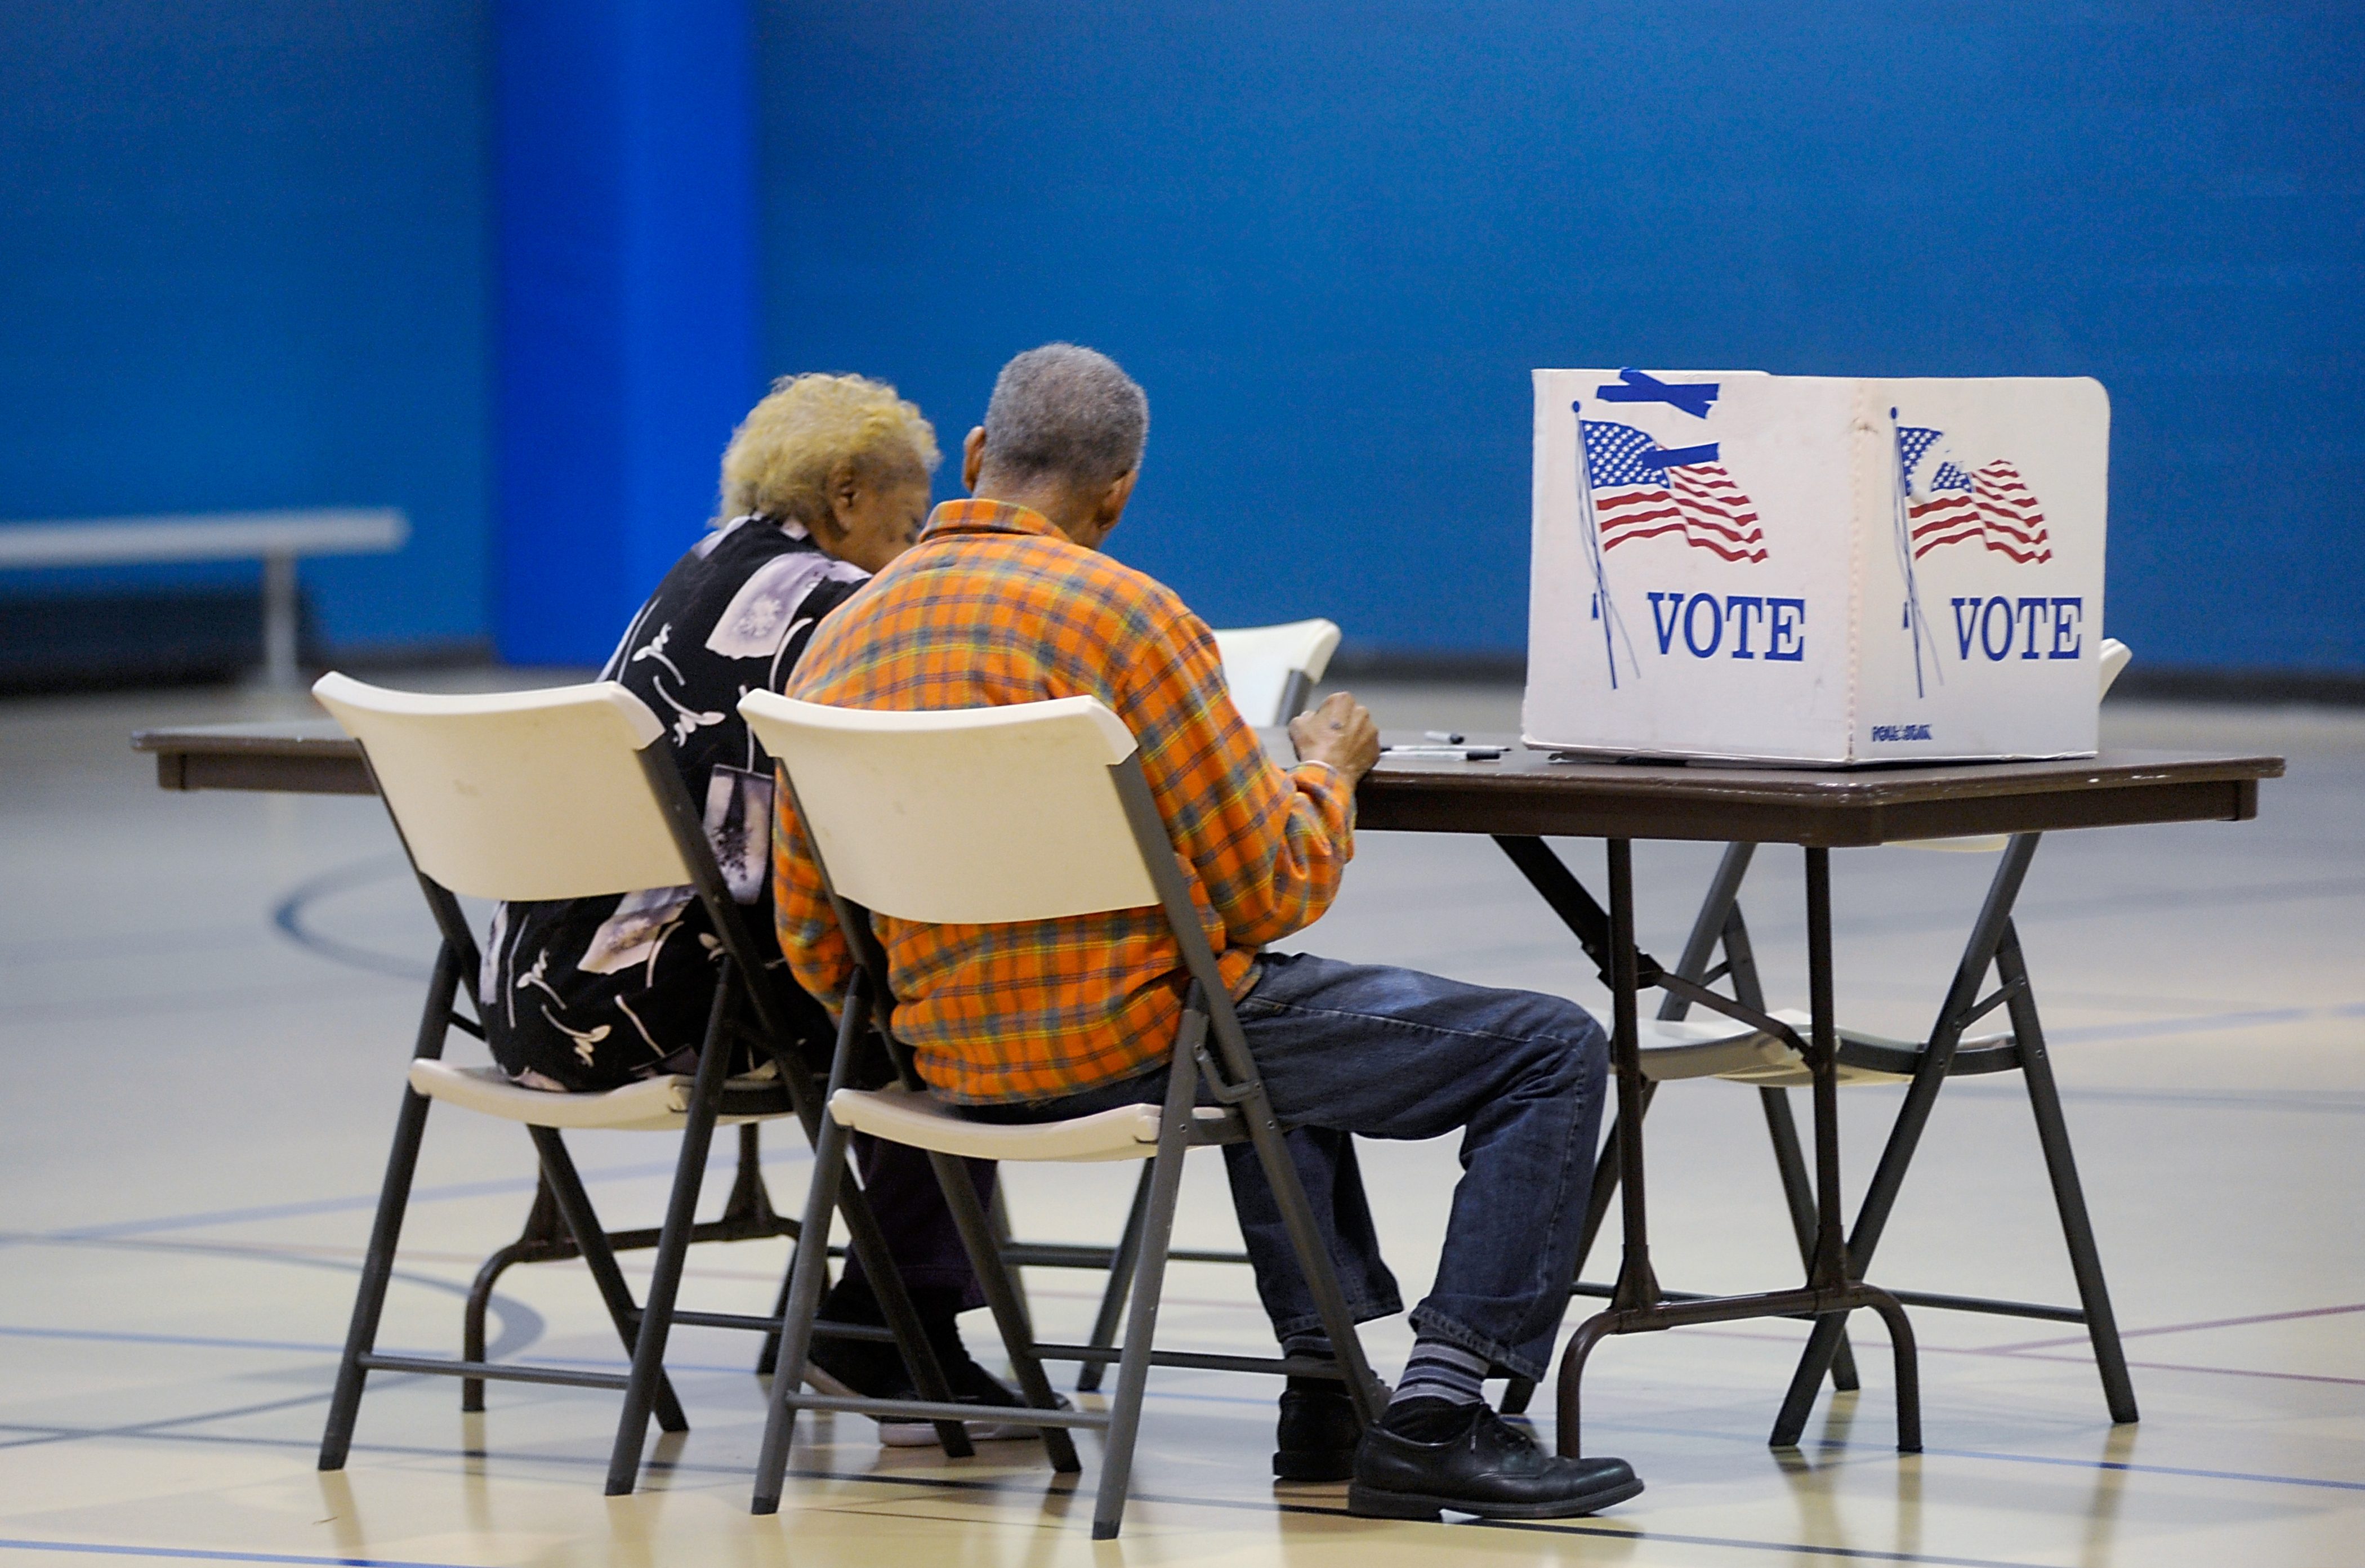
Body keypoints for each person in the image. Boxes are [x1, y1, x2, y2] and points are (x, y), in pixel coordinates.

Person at [771, 343, 1643, 1520]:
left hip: (942, 1071)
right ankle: (1441, 1408)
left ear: (979, 458)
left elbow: (817, 943)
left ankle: (1328, 1394)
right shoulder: (1131, 620)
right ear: (1118, 492)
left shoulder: (835, 641)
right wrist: (1325, 774)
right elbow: (1272, 884)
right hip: (1140, 1048)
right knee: (1546, 1047)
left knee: (1268, 1020)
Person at [479, 372, 1030, 1441]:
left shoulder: (700, 568)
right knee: (950, 993)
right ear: (845, 491)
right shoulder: (832, 599)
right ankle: (888, 1332)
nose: (911, 548)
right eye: (908, 522)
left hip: (531, 994)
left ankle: (854, 1321)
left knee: (885, 972)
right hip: (652, 1007)